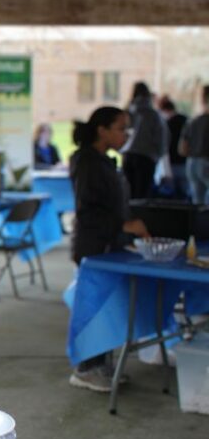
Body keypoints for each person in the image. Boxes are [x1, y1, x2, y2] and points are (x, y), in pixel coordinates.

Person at [68, 106, 150, 391]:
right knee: (95, 308)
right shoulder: (87, 162)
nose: (125, 135)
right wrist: (124, 225)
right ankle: (86, 368)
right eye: (119, 128)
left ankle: (100, 362)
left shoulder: (105, 160)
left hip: (111, 244)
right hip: (95, 246)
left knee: (109, 307)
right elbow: (88, 210)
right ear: (101, 130)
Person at [120, 81, 168, 199]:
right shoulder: (153, 115)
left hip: (128, 155)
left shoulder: (128, 112)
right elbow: (160, 137)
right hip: (146, 157)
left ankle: (128, 215)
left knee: (128, 193)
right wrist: (159, 155)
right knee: (142, 194)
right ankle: (139, 216)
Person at [180, 86, 209, 205]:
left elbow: (182, 149)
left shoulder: (193, 121)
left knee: (198, 202)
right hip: (206, 162)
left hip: (192, 163)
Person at [158, 96, 188, 199]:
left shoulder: (167, 124)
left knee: (175, 194)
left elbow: (164, 145)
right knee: (186, 192)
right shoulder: (186, 120)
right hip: (186, 161)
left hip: (173, 162)